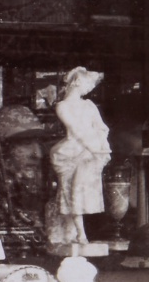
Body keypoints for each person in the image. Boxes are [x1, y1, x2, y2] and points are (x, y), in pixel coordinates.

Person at [48, 67, 112, 254]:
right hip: (72, 151)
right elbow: (76, 130)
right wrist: (94, 147)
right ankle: (78, 234)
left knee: (80, 191)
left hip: (90, 151)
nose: (89, 89)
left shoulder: (89, 106)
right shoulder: (62, 106)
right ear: (77, 82)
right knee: (71, 191)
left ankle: (78, 234)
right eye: (88, 84)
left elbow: (102, 127)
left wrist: (100, 143)